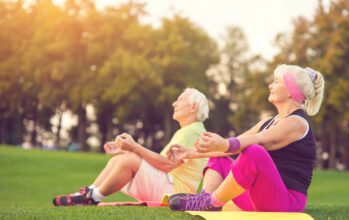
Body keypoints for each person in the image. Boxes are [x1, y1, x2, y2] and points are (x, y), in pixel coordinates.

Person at [167, 64, 325, 212]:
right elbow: (234, 145)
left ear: (291, 90)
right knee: (219, 157)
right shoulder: (268, 121)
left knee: (254, 152)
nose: (270, 85)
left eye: (276, 82)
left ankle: (211, 202)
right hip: (258, 196)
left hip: (287, 203)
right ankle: (205, 200)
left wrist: (224, 143)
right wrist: (189, 153)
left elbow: (262, 140)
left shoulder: (297, 123)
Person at [53, 88, 209, 206]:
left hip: (175, 194)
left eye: (180, 100)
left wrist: (134, 148)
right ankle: (90, 192)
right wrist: (126, 149)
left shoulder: (192, 132)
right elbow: (160, 162)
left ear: (193, 107)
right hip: (170, 187)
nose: (175, 103)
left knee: (129, 160)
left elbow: (166, 165)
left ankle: (92, 198)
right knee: (123, 158)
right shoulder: (190, 130)